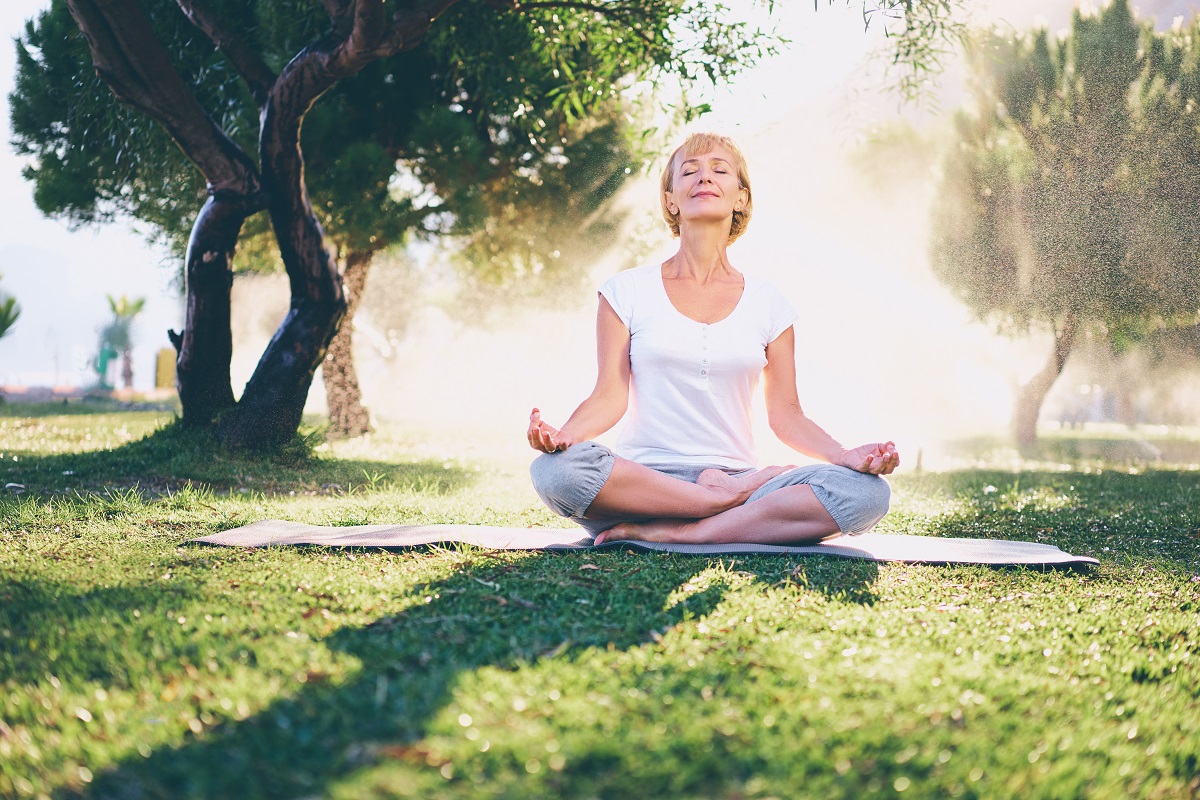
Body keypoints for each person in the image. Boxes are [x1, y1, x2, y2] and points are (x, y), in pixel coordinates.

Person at [527, 132, 898, 546]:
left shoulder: (769, 303)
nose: (705, 177)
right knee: (553, 471)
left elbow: (787, 417)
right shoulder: (625, 291)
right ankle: (710, 508)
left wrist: (844, 457)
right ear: (672, 200)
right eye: (690, 171)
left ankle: (687, 533)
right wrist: (566, 436)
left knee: (867, 493)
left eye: (720, 170)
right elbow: (608, 397)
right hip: (645, 488)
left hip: (737, 479)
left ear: (741, 197)